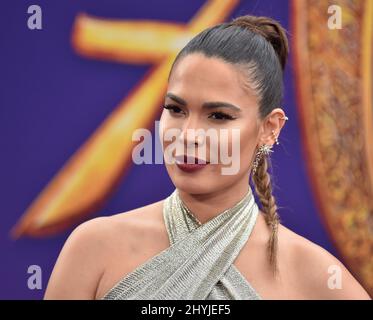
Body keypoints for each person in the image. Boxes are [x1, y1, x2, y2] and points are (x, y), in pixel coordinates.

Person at [44, 15, 371, 300]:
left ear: (269, 129)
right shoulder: (93, 248)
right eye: (176, 109)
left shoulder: (314, 274)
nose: (188, 135)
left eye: (218, 116)